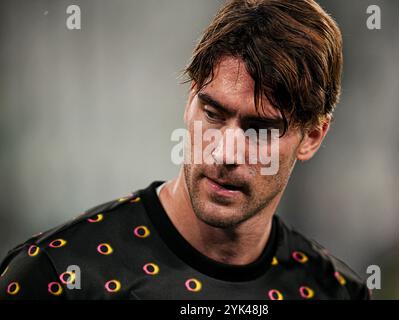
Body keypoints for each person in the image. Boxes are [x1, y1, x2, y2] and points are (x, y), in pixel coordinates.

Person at [0, 0, 369, 300]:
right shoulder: (59, 275)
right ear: (190, 97)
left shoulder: (335, 291)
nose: (225, 152)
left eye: (260, 130)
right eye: (213, 113)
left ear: (312, 137)